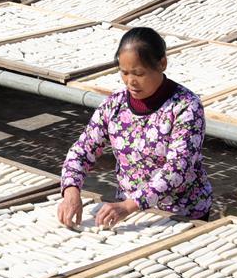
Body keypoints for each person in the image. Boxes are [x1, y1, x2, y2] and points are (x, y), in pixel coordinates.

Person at [57, 27, 212, 229]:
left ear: (162, 64)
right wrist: (71, 191)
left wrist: (130, 205)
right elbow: (82, 150)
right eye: (124, 73)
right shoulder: (114, 105)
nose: (131, 81)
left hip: (180, 213)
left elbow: (178, 168)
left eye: (139, 73)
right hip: (129, 213)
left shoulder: (185, 106)